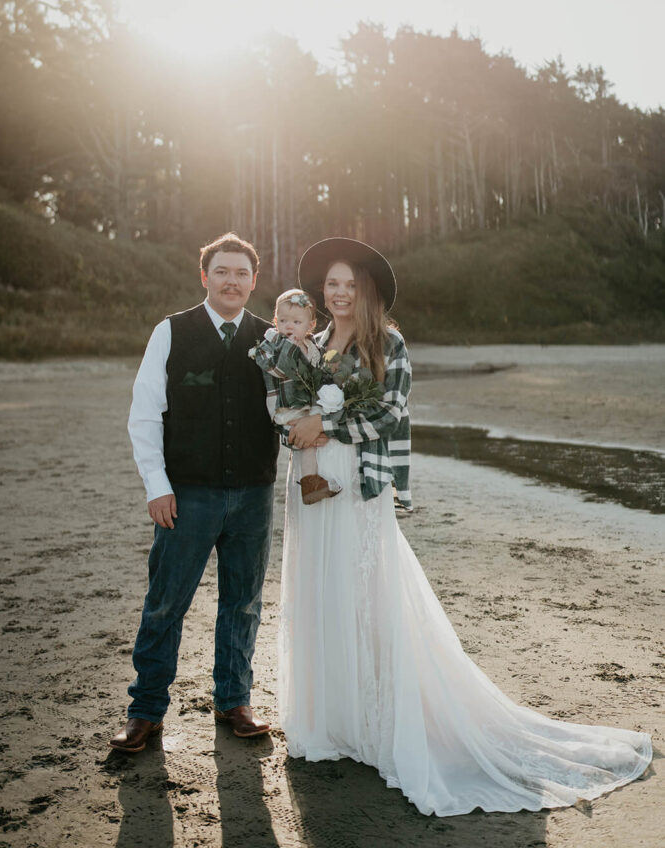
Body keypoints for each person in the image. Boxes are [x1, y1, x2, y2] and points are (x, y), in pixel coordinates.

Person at [278, 237, 652, 816]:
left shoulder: (389, 342)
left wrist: (325, 430)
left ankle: (381, 723)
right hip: (308, 488)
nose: (341, 293)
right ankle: (334, 722)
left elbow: (389, 412)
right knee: (322, 598)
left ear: (367, 289)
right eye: (332, 284)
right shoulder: (312, 341)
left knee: (368, 598)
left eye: (351, 284)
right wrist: (295, 431)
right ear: (321, 292)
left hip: (359, 484)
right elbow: (283, 401)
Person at [110, 232, 280, 752]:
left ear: (254, 281)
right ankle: (145, 711)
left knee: (243, 603)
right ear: (204, 277)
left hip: (254, 493)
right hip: (187, 494)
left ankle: (235, 700)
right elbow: (145, 412)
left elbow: (292, 410)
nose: (233, 281)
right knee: (165, 603)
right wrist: (156, 487)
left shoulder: (273, 338)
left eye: (243, 273)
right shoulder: (171, 332)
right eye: (223, 271)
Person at [249, 288, 341, 504]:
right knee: (308, 442)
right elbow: (280, 370)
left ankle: (314, 480)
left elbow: (317, 374)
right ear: (275, 321)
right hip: (286, 407)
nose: (288, 326)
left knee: (323, 425)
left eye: (296, 322)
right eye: (283, 320)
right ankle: (310, 483)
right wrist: (290, 347)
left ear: (311, 325)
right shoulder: (273, 345)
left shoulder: (312, 346)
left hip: (305, 405)